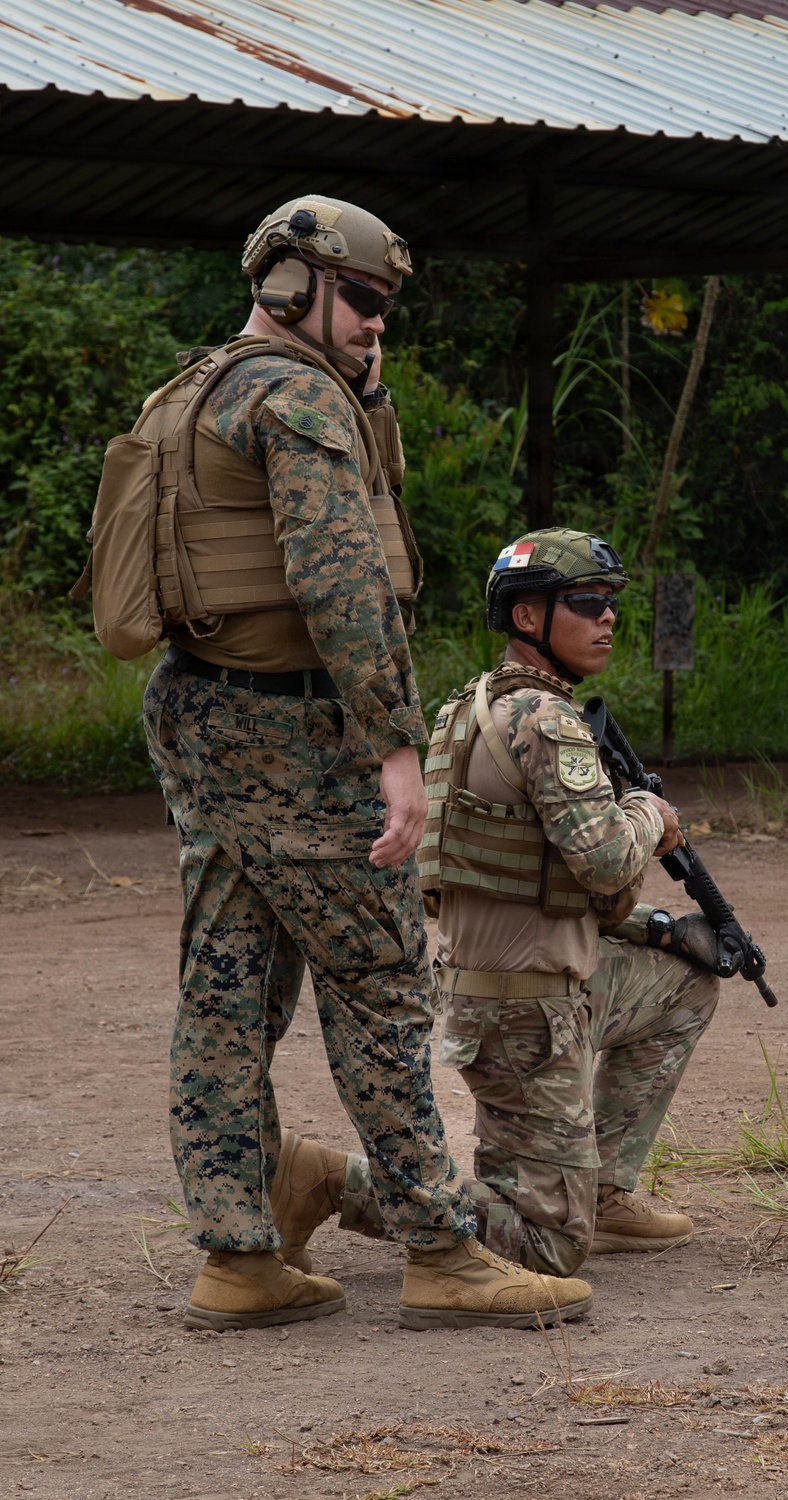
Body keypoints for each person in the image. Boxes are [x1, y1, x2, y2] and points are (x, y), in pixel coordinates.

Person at [140, 197, 591, 1331]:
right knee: (381, 982)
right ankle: (443, 1251)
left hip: (206, 715)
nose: (377, 324)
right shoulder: (293, 399)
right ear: (291, 286)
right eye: (362, 300)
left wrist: (369, 384)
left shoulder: (203, 387)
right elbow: (340, 583)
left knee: (227, 987)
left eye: (386, 307)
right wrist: (396, 748)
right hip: (294, 731)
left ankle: (237, 1256)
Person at [416, 528, 724, 1276]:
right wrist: (653, 813)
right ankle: (336, 1182)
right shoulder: (548, 721)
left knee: (687, 979)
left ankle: (607, 1190)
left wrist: (655, 927)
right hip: (528, 1013)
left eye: (611, 603)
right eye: (587, 603)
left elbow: (574, 887)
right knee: (550, 1245)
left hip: (496, 988)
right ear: (528, 618)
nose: (607, 619)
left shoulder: (467, 708)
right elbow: (612, 863)